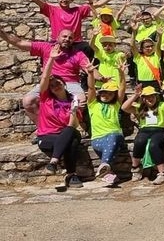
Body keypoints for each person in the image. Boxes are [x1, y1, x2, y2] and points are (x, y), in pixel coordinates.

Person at [6, 0, 126, 52]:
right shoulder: (51, 9)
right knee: (46, 55)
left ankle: (86, 80)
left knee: (89, 49)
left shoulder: (78, 10)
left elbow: (99, 3)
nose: (64, 0)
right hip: (57, 43)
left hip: (75, 44)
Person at [0, 28, 90, 126]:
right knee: (28, 101)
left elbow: (90, 69)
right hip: (49, 82)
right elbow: (20, 43)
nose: (67, 39)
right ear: (57, 37)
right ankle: (44, 128)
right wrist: (2, 33)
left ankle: (69, 128)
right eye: (64, 36)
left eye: (70, 38)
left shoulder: (78, 54)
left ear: (73, 40)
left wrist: (104, 78)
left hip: (70, 83)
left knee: (80, 101)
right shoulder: (46, 47)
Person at [35, 45, 83, 188]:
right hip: (47, 136)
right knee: (71, 141)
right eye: (52, 85)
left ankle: (53, 162)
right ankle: (71, 174)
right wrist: (51, 59)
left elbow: (73, 125)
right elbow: (44, 78)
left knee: (70, 132)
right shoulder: (46, 99)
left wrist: (73, 111)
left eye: (58, 83)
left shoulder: (72, 101)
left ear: (64, 84)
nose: (55, 85)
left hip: (64, 134)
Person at [124, 84, 164, 185]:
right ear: (143, 99)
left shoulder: (162, 105)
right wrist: (135, 95)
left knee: (154, 145)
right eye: (147, 97)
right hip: (144, 130)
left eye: (152, 96)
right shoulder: (139, 107)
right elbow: (124, 107)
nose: (150, 99)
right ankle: (136, 168)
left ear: (156, 97)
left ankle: (163, 173)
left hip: (159, 130)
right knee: (138, 142)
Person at [86, 58, 129, 185]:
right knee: (112, 145)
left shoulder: (115, 104)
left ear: (114, 96)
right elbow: (91, 88)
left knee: (114, 136)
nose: (106, 95)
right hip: (97, 140)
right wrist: (90, 74)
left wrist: (121, 73)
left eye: (110, 94)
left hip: (115, 137)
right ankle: (108, 173)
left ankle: (104, 164)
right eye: (104, 93)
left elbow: (122, 88)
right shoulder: (93, 104)